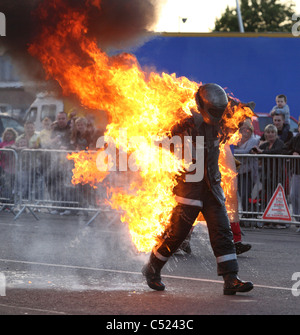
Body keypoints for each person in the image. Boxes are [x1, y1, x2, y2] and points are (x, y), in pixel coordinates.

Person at [142, 83, 254, 295]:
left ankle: (231, 279)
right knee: (177, 235)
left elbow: (239, 118)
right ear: (202, 106)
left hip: (212, 185)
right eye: (213, 111)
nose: (218, 116)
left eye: (220, 111)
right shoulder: (184, 124)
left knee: (222, 232)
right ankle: (152, 268)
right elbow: (160, 140)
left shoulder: (223, 121)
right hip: (189, 187)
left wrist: (242, 110)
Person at [234, 119, 259, 216]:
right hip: (239, 171)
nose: (245, 131)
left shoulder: (254, 140)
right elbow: (232, 149)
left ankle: (248, 214)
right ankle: (245, 214)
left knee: (246, 194)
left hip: (249, 172)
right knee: (240, 194)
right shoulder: (237, 140)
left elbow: (246, 152)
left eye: (248, 129)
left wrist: (235, 152)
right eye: (243, 129)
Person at [282, 121, 300, 228]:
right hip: (297, 171)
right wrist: (292, 153)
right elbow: (284, 148)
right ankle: (298, 221)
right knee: (294, 195)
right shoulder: (296, 138)